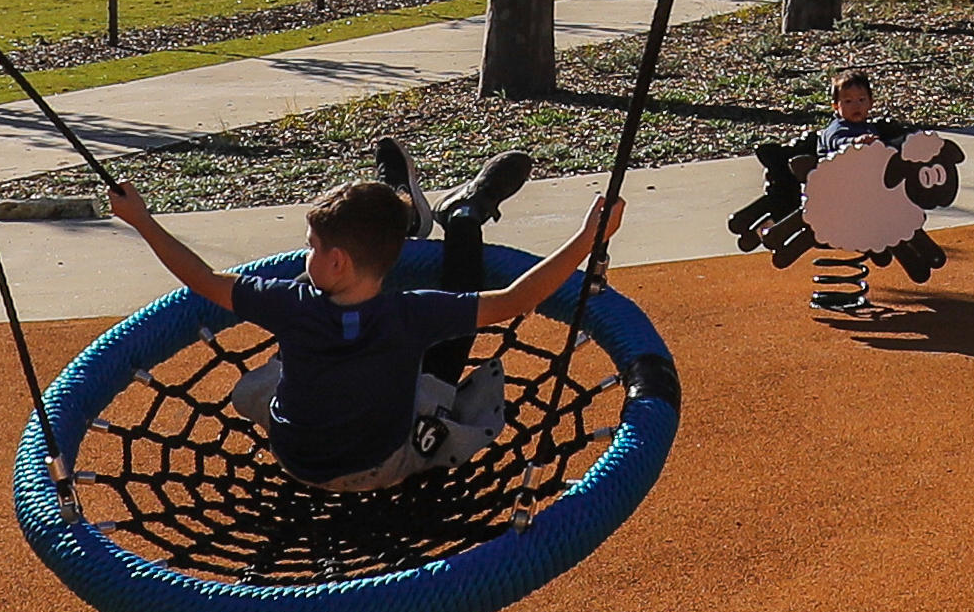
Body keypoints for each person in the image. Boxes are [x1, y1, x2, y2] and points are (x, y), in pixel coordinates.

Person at [115, 167, 626, 491]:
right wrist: (587, 239)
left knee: (263, 380)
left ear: (335, 260)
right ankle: (419, 212)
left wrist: (140, 219)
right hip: (382, 465)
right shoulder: (411, 313)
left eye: (311, 245)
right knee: (433, 377)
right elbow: (517, 299)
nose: (307, 252)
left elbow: (200, 278)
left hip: (299, 461)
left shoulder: (291, 303)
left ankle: (402, 200)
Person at [768, 66, 960, 325]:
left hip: (870, 198)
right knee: (887, 224)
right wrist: (857, 146)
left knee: (898, 219)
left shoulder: (872, 128)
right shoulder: (838, 130)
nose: (855, 106)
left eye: (861, 100)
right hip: (839, 199)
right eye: (847, 102)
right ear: (836, 106)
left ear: (870, 102)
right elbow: (840, 147)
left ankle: (921, 258)